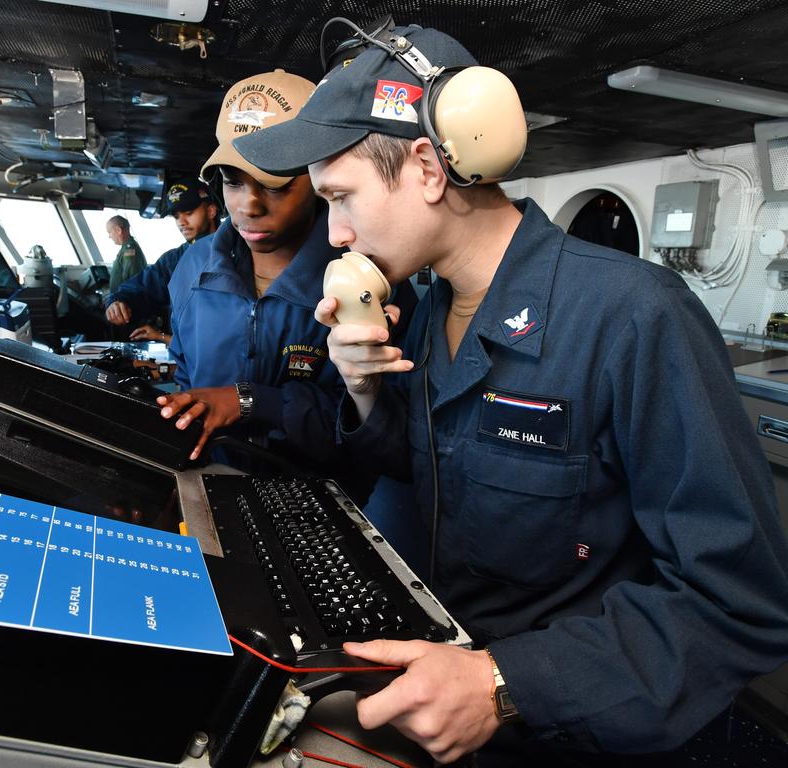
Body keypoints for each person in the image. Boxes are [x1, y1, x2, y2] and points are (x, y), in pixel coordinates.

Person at [233, 22, 788, 767]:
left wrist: (501, 682)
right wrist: (365, 389)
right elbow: (438, 472)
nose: (334, 233)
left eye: (342, 197)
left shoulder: (634, 314)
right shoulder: (429, 310)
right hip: (440, 688)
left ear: (428, 168)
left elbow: (740, 602)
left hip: (567, 725)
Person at [157, 68, 415, 468]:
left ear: (318, 176)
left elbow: (389, 436)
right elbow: (187, 380)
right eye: (233, 180)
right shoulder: (192, 268)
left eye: (274, 183)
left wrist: (255, 402)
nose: (249, 206)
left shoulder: (373, 279)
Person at [104, 180, 220, 344]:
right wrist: (117, 301)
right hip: (185, 355)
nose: (181, 222)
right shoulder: (174, 259)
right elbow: (143, 287)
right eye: (176, 216)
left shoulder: (236, 252)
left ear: (211, 211)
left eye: (188, 212)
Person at [105, 215, 147, 294]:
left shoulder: (129, 249)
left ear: (118, 230)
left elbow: (130, 279)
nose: (109, 236)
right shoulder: (127, 247)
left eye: (109, 232)